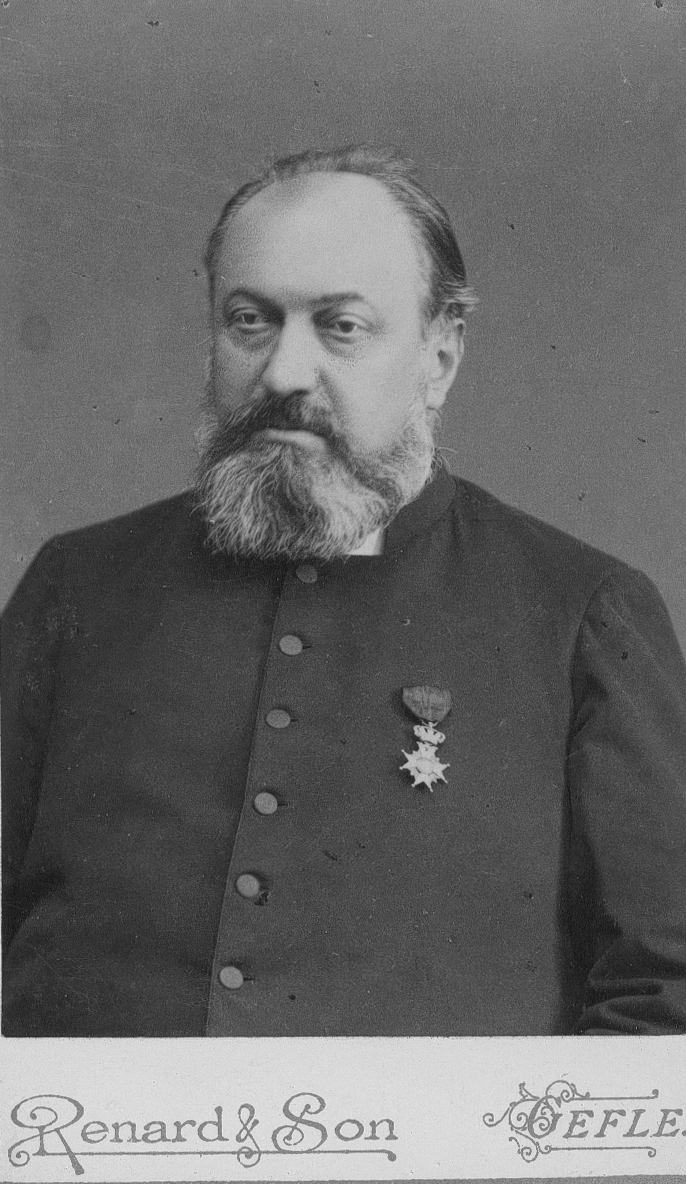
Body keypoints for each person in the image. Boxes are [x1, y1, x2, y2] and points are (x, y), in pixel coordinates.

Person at [3, 144, 686, 1038]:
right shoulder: (77, 587)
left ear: (440, 357)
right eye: (250, 321)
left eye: (342, 326)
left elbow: (666, 993)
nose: (284, 372)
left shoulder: (581, 612)